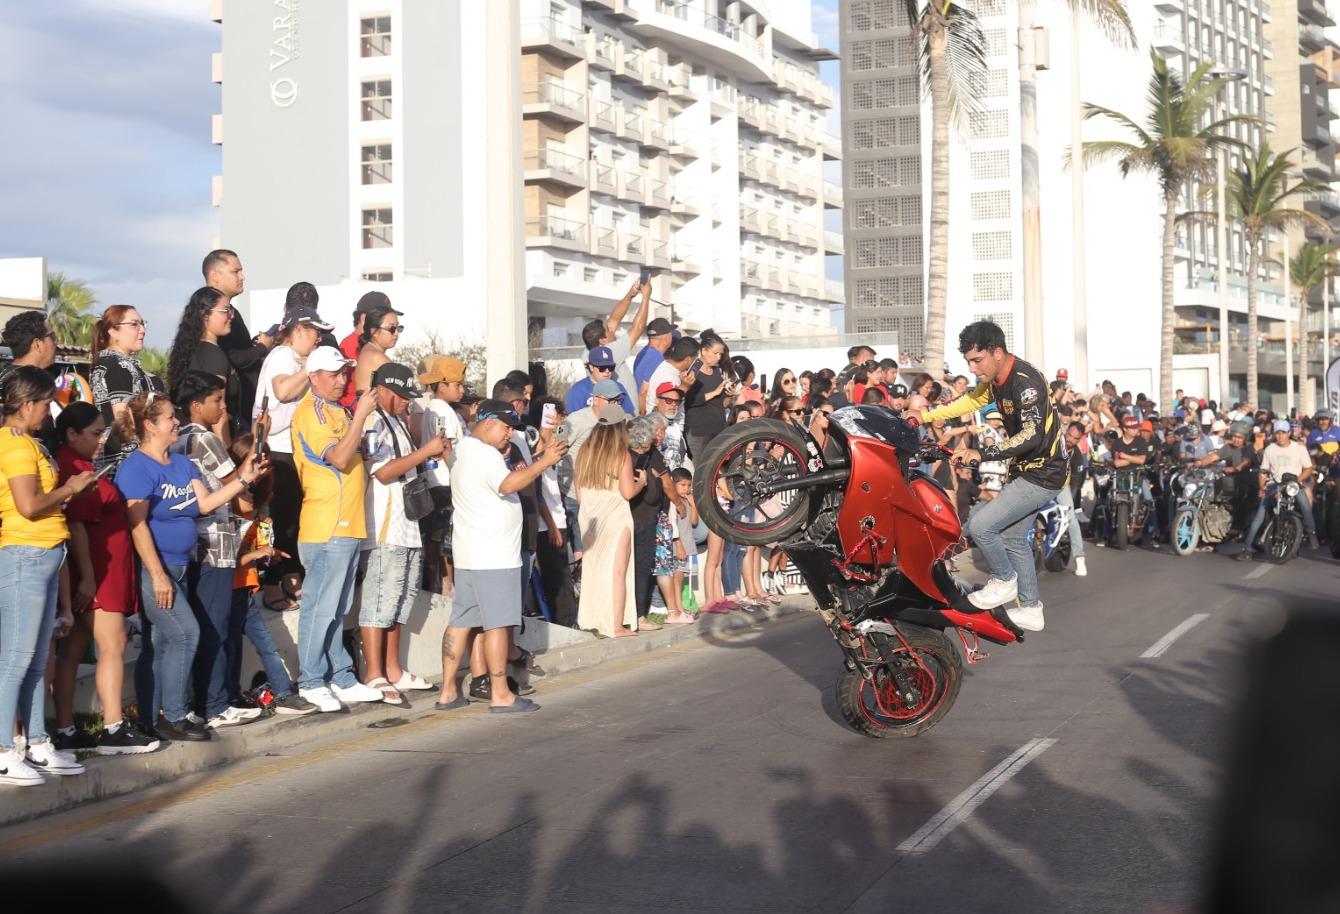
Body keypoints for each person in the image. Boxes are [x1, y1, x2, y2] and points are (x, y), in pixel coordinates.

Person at [116, 390, 269, 742]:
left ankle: (152, 719)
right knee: (187, 633)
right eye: (170, 417)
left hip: (183, 567)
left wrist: (244, 481)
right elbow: (136, 525)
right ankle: (175, 715)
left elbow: (205, 504)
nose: (177, 422)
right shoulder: (136, 468)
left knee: (165, 643)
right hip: (156, 569)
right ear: (150, 426)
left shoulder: (182, 464)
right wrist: (156, 575)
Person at [917, 321, 1067, 633]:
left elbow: (1032, 436)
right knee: (1013, 538)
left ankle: (1004, 581)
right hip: (1028, 471)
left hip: (1041, 474)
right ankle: (1031, 608)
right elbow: (971, 400)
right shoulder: (996, 379)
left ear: (996, 352)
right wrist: (925, 416)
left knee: (981, 526)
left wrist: (981, 453)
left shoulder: (1025, 383)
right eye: (968, 362)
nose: (973, 369)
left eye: (977, 360)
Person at [435, 400, 565, 713]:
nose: (510, 434)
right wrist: (543, 463)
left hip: (471, 553)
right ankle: (500, 694)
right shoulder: (486, 453)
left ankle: (448, 691)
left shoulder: (465, 448)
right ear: (489, 422)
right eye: (506, 427)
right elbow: (507, 484)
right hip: (495, 556)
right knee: (498, 625)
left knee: (461, 621)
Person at [0, 367, 96, 786]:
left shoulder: (27, 443)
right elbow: (28, 505)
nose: (47, 410)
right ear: (25, 405)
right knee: (16, 660)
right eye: (42, 403)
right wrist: (70, 488)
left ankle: (36, 743)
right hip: (24, 553)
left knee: (37, 661)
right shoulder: (15, 446)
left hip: (42, 554)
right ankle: (4, 751)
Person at [50, 403, 159, 754]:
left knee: (76, 649)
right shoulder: (70, 466)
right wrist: (87, 579)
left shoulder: (79, 463)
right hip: (98, 570)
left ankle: (66, 729)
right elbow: (77, 525)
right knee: (113, 645)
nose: (101, 441)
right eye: (96, 434)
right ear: (71, 434)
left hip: (101, 569)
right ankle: (113, 727)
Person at [289, 347, 384, 712]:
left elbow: (351, 453)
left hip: (348, 522)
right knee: (320, 606)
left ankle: (340, 675)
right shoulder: (311, 412)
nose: (341, 379)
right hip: (326, 524)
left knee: (338, 606)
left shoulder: (338, 411)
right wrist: (361, 415)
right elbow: (339, 458)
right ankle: (311, 680)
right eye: (333, 374)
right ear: (313, 377)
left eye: (344, 372)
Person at [171, 371, 263, 731]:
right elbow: (235, 482)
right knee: (215, 627)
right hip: (214, 545)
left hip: (194, 544)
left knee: (204, 626)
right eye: (216, 401)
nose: (223, 407)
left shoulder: (178, 438)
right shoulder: (204, 439)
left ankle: (207, 700)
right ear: (196, 405)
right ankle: (214, 704)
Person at [358, 363, 448, 705]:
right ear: (382, 390)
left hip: (406, 525)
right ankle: (374, 673)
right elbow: (381, 473)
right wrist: (425, 452)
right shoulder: (373, 420)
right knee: (379, 601)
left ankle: (393, 669)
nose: (405, 403)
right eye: (400, 396)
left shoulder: (395, 419)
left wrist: (426, 456)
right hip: (384, 526)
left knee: (400, 602)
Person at [223, 433, 317, 716]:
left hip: (247, 589)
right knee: (226, 648)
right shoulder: (229, 502)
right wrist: (259, 554)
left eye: (266, 464)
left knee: (267, 647)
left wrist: (267, 549)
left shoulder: (257, 503)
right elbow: (228, 558)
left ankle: (284, 694)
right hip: (227, 589)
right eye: (257, 463)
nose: (263, 470)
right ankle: (224, 700)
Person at [252, 306, 333, 610]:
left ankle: (290, 576)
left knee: (290, 519)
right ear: (298, 330)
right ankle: (273, 583)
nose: (318, 339)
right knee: (278, 520)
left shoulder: (292, 357)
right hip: (277, 447)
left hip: (289, 447)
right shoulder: (282, 356)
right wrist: (310, 367)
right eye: (315, 332)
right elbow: (283, 391)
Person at [575, 405, 645, 637]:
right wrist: (641, 482)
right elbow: (627, 492)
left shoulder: (585, 451)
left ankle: (592, 618)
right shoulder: (620, 454)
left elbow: (578, 491)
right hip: (615, 515)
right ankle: (615, 625)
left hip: (590, 516)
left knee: (594, 569)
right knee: (618, 572)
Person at [90, 305, 166, 472]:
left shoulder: (115, 363)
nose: (142, 330)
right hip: (127, 460)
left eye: (143, 323)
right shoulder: (117, 365)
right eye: (134, 324)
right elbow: (125, 421)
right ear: (113, 331)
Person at [416, 355, 468, 593]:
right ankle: (446, 584)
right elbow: (448, 449)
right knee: (444, 539)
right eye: (457, 384)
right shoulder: (441, 411)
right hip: (444, 482)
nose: (462, 390)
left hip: (438, 480)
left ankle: (441, 583)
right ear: (442, 385)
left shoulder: (437, 409)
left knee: (438, 538)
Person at [203, 249, 270, 425]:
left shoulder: (234, 313)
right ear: (215, 275)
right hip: (227, 419)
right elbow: (235, 357)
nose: (242, 277)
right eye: (235, 271)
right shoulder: (208, 317)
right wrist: (262, 347)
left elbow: (240, 351)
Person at [1238, 419, 1321, 559]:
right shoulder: (1270, 449)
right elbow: (1263, 471)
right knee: (1260, 514)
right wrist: (1261, 487)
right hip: (1275, 485)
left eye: (1283, 433)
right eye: (1277, 433)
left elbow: (1308, 468)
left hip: (1294, 484)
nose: (1280, 436)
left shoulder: (1299, 448)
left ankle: (1312, 534)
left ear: (1289, 433)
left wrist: (1298, 480)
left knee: (1305, 506)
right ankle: (1246, 548)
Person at [166, 286, 239, 444]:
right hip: (210, 443)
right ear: (205, 315)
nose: (231, 316)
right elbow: (220, 408)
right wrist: (226, 452)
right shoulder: (213, 355)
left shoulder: (190, 351)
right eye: (225, 310)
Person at [533, 397, 579, 628]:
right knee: (557, 579)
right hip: (547, 523)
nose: (559, 421)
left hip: (556, 517)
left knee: (562, 577)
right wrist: (551, 525)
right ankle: (564, 623)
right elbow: (537, 491)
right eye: (555, 416)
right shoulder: (537, 449)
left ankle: (568, 621)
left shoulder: (554, 447)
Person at [628, 413, 670, 631]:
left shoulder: (623, 456)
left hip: (630, 520)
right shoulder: (637, 461)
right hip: (642, 520)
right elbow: (651, 496)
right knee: (642, 569)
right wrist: (652, 480)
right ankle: (639, 615)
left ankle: (632, 614)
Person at [581, 278, 652, 399]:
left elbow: (614, 320)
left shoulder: (588, 351)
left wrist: (631, 294)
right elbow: (638, 327)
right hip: (625, 413)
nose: (611, 327)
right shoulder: (611, 352)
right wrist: (646, 295)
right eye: (608, 330)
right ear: (603, 341)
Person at [0, 312, 61, 452]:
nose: (55, 342)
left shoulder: (12, 376)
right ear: (37, 344)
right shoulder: (15, 382)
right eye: (52, 336)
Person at [683, 334, 737, 461]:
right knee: (702, 467)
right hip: (699, 431)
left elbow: (721, 403)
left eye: (721, 354)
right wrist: (715, 392)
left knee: (719, 467)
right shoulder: (692, 372)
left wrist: (729, 395)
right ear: (704, 351)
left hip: (718, 428)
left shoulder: (717, 372)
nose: (718, 357)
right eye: (716, 353)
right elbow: (689, 401)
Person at [350, 301, 404, 409]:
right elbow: (401, 395)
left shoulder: (368, 351)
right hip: (377, 419)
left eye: (399, 328)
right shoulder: (377, 357)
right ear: (374, 331)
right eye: (392, 328)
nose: (397, 333)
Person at [566, 346, 634, 415]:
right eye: (602, 368)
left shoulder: (618, 387)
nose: (607, 371)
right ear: (591, 367)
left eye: (611, 367)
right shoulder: (578, 390)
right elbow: (573, 419)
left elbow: (629, 414)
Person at [633, 318, 677, 411]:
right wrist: (642, 415)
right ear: (667, 337)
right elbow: (643, 391)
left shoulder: (643, 353)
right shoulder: (656, 357)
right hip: (647, 411)